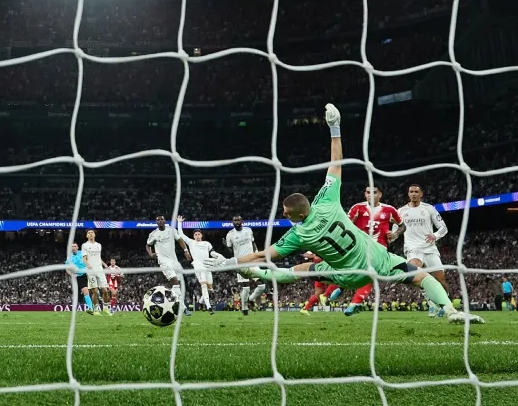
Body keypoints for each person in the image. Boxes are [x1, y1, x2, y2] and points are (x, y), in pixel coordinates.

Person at [206, 103, 482, 324]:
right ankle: (451, 311)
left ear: (295, 215)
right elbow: (336, 162)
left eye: (285, 212)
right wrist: (334, 127)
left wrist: (229, 263)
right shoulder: (327, 199)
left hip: (347, 273)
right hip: (376, 258)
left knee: (295, 271)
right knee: (425, 277)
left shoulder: (298, 234)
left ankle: (261, 276)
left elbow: (261, 253)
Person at [343, 186, 401, 316]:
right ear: (365, 194)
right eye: (368, 192)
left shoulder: (389, 210)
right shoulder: (357, 208)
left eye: (374, 192)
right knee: (360, 273)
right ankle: (340, 289)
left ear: (380, 194)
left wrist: (396, 234)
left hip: (380, 249)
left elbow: (402, 226)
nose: (371, 195)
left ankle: (355, 302)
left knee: (370, 273)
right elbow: (345, 224)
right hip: (360, 247)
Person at [395, 184, 450, 317]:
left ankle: (445, 304)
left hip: (430, 249)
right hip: (412, 249)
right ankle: (430, 302)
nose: (413, 194)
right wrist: (392, 236)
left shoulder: (429, 209)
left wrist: (435, 235)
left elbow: (443, 228)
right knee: (415, 276)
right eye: (411, 191)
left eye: (416, 191)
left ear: (421, 194)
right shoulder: (401, 211)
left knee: (441, 280)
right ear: (408, 194)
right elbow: (394, 230)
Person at [225, 215, 265, 315]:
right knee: (246, 287)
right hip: (240, 263)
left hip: (252, 260)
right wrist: (226, 247)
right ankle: (244, 308)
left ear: (242, 221)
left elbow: (253, 242)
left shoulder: (248, 230)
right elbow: (230, 251)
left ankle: (251, 299)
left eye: (238, 220)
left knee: (262, 286)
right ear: (232, 222)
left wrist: (257, 253)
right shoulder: (230, 234)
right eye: (235, 220)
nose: (237, 221)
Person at [147, 214, 189, 310]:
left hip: (174, 260)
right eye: (158, 220)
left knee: (177, 284)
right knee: (175, 281)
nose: (160, 221)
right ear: (156, 222)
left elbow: (180, 240)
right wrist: (150, 253)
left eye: (162, 219)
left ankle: (171, 302)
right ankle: (182, 307)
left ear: (165, 221)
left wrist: (186, 250)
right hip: (163, 261)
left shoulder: (171, 230)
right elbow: (148, 245)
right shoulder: (153, 234)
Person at [177, 220, 216, 314]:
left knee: (210, 289)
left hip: (208, 266)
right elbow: (181, 234)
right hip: (198, 266)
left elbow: (212, 252)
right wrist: (179, 223)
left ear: (201, 235)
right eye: (195, 234)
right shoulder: (191, 243)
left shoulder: (207, 243)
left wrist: (217, 257)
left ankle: (201, 301)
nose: (197, 236)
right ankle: (209, 307)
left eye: (199, 234)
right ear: (193, 236)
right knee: (204, 285)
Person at [81, 230, 111, 315]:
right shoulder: (85, 245)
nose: (90, 234)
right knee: (95, 291)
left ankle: (105, 308)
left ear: (94, 235)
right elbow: (84, 259)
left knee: (105, 290)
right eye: (89, 233)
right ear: (87, 236)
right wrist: (88, 265)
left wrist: (105, 265)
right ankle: (96, 310)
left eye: (92, 232)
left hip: (99, 270)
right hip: (90, 271)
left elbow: (99, 258)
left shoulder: (99, 245)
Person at [66, 243, 96, 314]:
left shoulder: (82, 253)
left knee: (85, 291)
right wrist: (72, 275)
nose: (73, 247)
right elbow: (67, 269)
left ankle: (91, 308)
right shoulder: (69, 257)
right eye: (72, 246)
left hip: (83, 274)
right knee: (79, 295)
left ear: (77, 247)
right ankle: (81, 302)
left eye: (75, 246)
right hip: (75, 277)